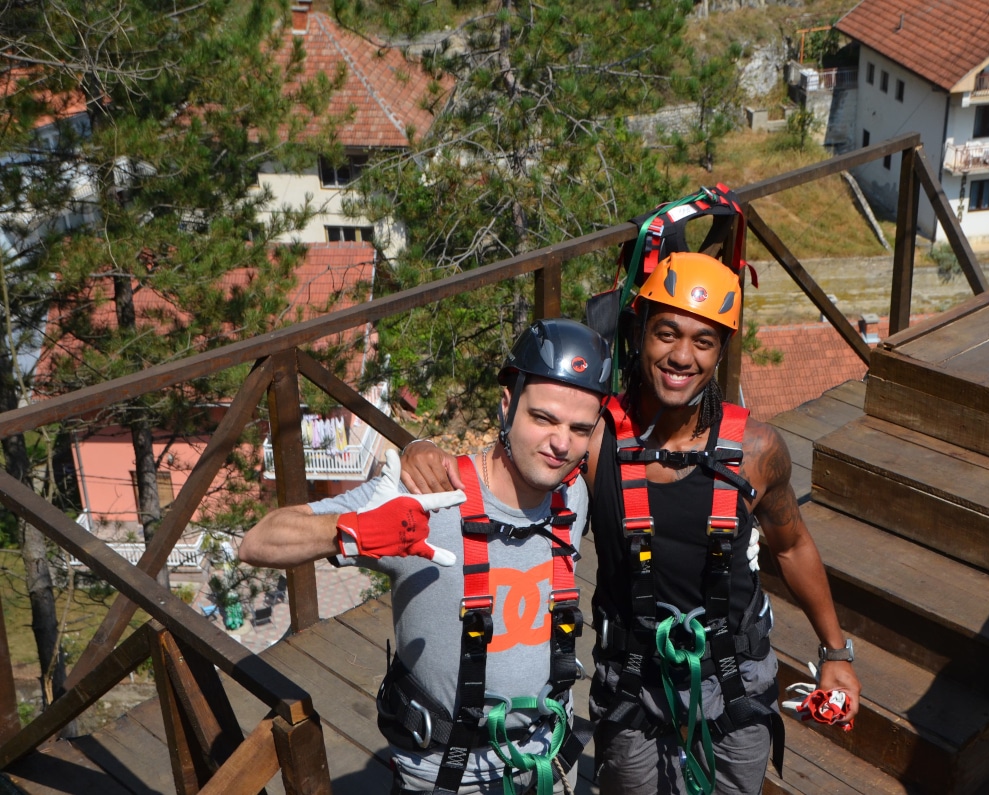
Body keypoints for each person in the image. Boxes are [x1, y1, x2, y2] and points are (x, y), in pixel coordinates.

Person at [402, 253, 861, 795]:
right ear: (640, 333)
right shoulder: (596, 443)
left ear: (720, 354)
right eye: (667, 333)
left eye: (704, 341)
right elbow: (515, 465)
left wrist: (835, 654)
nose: (681, 356)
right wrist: (421, 450)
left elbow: (792, 546)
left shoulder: (755, 450)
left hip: (735, 678)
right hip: (632, 685)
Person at [239, 318, 612, 795]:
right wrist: (350, 531)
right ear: (507, 406)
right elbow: (259, 541)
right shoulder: (428, 500)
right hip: (448, 775)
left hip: (548, 761)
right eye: (542, 418)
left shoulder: (572, 494)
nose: (561, 443)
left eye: (579, 429)